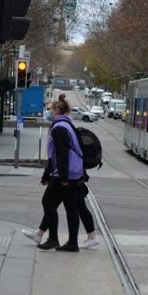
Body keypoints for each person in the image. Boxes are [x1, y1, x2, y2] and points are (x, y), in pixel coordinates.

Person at [21, 97, 99, 252]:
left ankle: (53, 239)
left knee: (48, 202)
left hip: (66, 174)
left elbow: (61, 155)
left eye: (50, 110)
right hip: (73, 172)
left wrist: (61, 178)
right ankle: (71, 243)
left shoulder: (59, 128)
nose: (49, 112)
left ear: (57, 110)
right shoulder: (67, 124)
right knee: (71, 207)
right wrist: (48, 174)